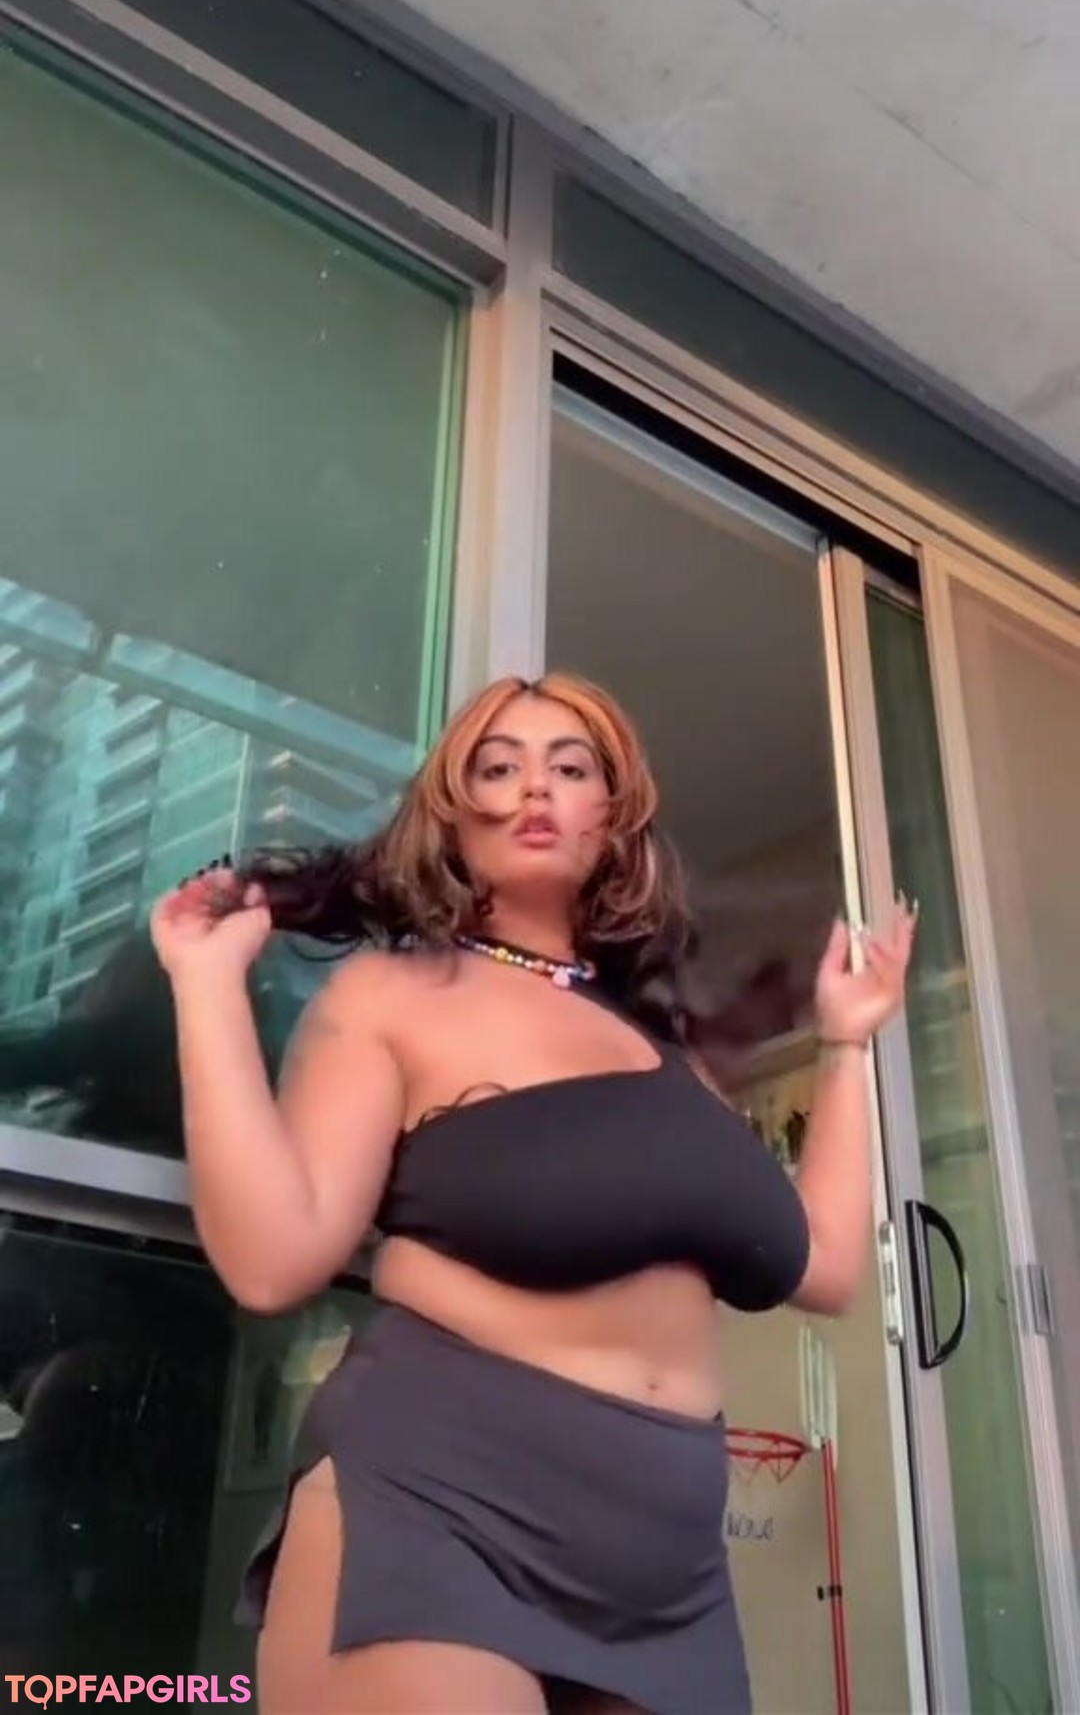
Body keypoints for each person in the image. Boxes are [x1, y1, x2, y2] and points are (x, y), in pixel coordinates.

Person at [149, 672, 917, 1715]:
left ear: (613, 817)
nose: (533, 789)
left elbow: (824, 1266)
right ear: (452, 817)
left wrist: (847, 1044)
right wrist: (206, 985)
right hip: (444, 1500)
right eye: (497, 768)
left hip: (673, 1577)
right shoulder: (392, 996)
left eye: (569, 766)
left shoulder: (668, 1059)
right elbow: (272, 1259)